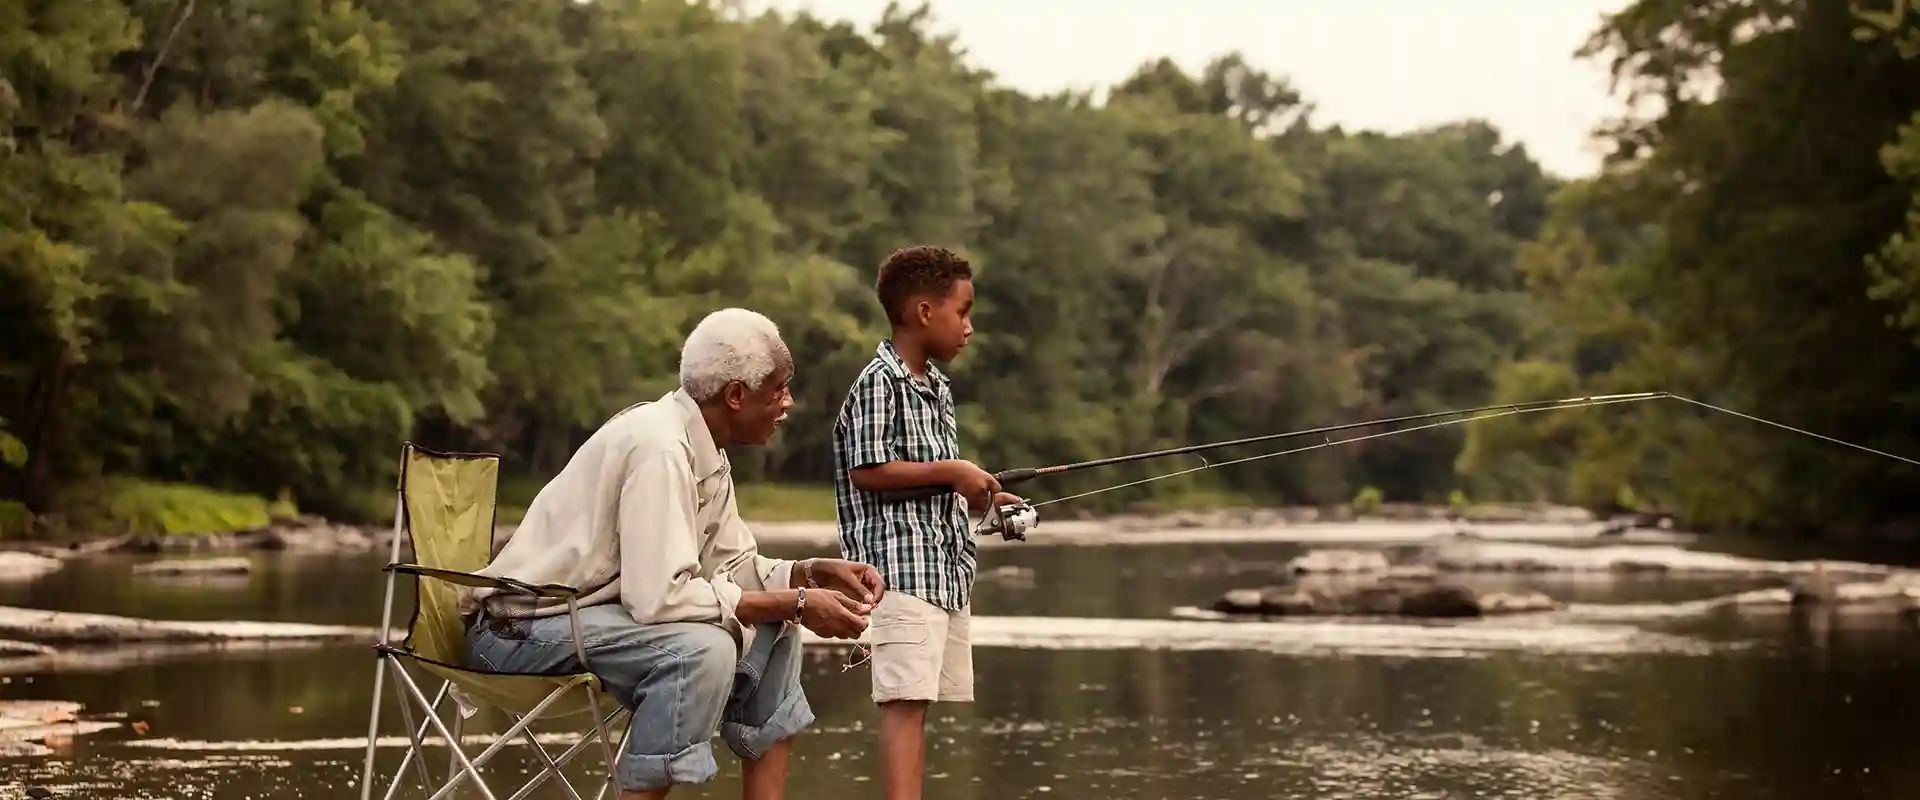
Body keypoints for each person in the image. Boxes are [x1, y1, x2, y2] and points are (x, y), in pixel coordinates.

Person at [460, 307, 885, 800]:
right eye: (779, 390)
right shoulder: (659, 447)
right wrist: (795, 601)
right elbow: (659, 598)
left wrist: (807, 575)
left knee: (778, 626)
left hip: (587, 621)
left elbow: (733, 567)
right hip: (518, 633)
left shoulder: (705, 449)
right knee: (700, 651)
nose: (787, 403)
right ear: (735, 395)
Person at [830, 245, 1021, 800]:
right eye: (962, 312)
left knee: (921, 703)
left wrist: (982, 496)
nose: (969, 326)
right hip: (898, 573)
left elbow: (934, 482)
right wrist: (952, 470)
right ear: (922, 312)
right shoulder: (877, 383)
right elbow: (868, 471)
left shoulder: (938, 389)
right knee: (904, 705)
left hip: (943, 571)